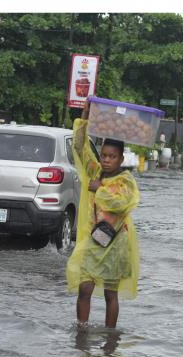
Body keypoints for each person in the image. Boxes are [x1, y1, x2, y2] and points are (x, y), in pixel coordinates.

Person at [67, 101, 140, 328]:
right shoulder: (95, 171)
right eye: (105, 155)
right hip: (94, 240)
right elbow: (79, 148)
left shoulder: (126, 180)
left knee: (111, 293)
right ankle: (81, 329)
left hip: (117, 243)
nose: (107, 160)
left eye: (112, 156)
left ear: (121, 159)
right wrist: (85, 117)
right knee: (85, 287)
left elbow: (120, 203)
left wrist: (99, 189)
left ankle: (110, 337)